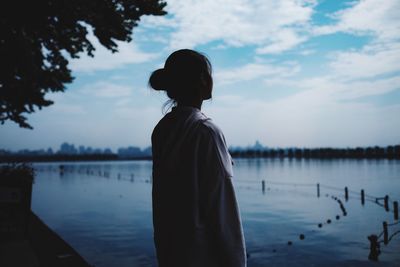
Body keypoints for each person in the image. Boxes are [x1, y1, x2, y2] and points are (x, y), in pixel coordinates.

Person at [149, 49, 246, 267]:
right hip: (205, 257)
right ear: (203, 80)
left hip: (172, 253)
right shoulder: (206, 131)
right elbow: (223, 211)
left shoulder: (163, 129)